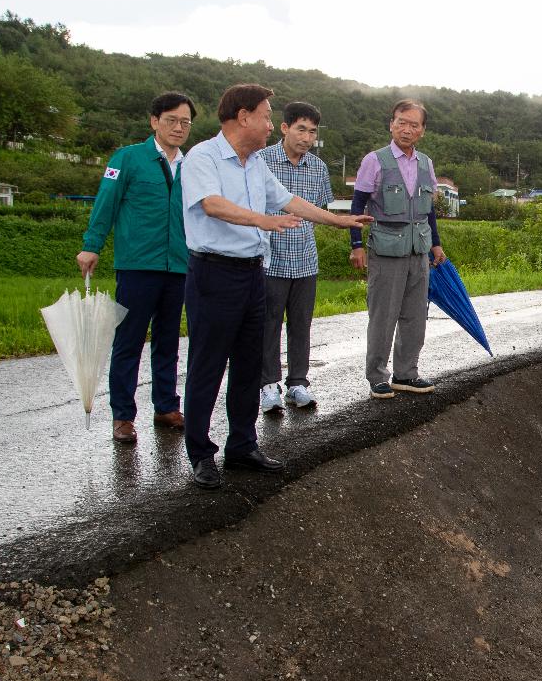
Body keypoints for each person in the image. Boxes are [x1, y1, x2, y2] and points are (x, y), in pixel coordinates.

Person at [180, 84, 370, 490]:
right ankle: (200, 453)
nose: (270, 124)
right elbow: (210, 204)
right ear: (243, 116)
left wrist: (340, 222)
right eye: (266, 116)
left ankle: (242, 446)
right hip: (214, 273)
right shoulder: (204, 156)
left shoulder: (254, 165)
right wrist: (259, 220)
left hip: (253, 272)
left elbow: (289, 202)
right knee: (207, 366)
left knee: (251, 365)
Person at [77, 92, 196, 443]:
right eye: (172, 120)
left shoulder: (192, 166)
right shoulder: (127, 159)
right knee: (129, 341)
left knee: (168, 340)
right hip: (137, 265)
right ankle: (123, 416)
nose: (178, 127)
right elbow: (106, 203)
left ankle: (166, 406)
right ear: (154, 121)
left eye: (185, 122)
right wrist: (91, 245)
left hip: (179, 265)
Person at [349, 99, 446, 399]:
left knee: (415, 315)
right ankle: (377, 375)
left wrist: (436, 244)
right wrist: (356, 245)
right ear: (391, 124)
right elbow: (357, 206)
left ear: (422, 131)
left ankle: (406, 373)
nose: (406, 129)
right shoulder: (374, 160)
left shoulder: (425, 163)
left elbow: (428, 209)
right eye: (401, 122)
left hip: (419, 248)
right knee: (383, 315)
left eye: (413, 125)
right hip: (386, 248)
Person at [258, 101, 333, 413]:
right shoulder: (261, 161)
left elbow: (320, 210)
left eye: (312, 132)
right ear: (285, 127)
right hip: (270, 258)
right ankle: (268, 385)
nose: (306, 137)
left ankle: (298, 383)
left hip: (305, 259)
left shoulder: (318, 168)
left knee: (301, 323)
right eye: (301, 129)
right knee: (268, 323)